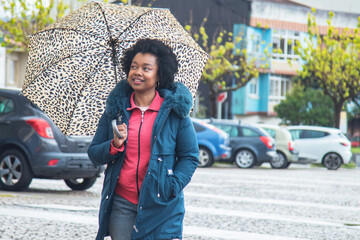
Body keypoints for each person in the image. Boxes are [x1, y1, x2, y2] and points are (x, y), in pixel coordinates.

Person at [87, 38, 199, 240]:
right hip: (122, 204)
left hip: (162, 206)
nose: (137, 72)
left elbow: (190, 156)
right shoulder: (115, 112)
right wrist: (114, 145)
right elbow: (94, 154)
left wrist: (172, 185)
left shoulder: (175, 113)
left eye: (146, 68)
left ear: (159, 75)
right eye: (133, 67)